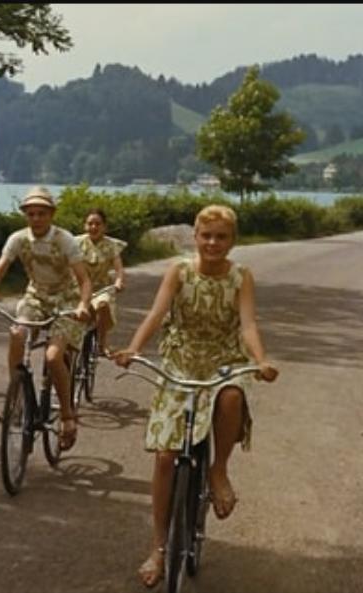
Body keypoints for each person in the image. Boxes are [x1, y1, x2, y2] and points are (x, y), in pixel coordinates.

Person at [111, 204, 279, 588]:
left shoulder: (241, 276)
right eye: (206, 236)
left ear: (232, 241)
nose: (213, 243)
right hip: (180, 359)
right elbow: (156, 313)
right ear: (195, 237)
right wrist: (134, 348)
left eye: (221, 237)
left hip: (223, 357)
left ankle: (219, 470)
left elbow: (249, 323)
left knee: (233, 396)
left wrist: (261, 359)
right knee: (166, 456)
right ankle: (158, 547)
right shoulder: (179, 271)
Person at [0, 186, 91, 451]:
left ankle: (67, 415)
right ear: (25, 215)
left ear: (51, 214)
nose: (36, 218)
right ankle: (16, 397)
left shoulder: (65, 240)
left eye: (41, 213)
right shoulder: (18, 239)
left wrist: (84, 305)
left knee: (53, 357)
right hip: (36, 297)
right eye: (31, 214)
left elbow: (85, 280)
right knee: (17, 334)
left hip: (66, 301)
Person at [75, 207, 127, 354]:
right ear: (85, 226)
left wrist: (119, 281)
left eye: (98, 224)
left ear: (104, 226)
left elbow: (119, 268)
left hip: (101, 288)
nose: (93, 227)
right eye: (90, 223)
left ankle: (101, 343)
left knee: (103, 305)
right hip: (78, 289)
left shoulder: (111, 245)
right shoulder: (76, 243)